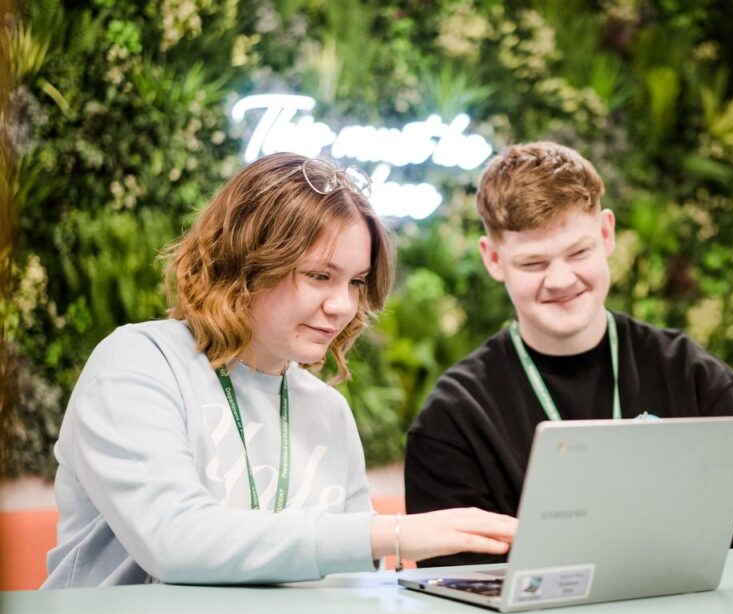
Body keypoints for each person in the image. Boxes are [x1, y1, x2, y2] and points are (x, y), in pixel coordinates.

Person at [43, 152, 516, 588]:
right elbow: (174, 539)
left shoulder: (327, 410)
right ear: (245, 264)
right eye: (319, 276)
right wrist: (389, 533)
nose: (343, 305)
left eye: (356, 282)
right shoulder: (139, 362)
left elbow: (348, 584)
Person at [404, 141, 733, 567]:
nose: (561, 280)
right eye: (533, 264)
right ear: (493, 259)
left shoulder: (691, 376)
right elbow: (454, 586)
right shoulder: (455, 417)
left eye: (578, 252)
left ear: (606, 234)